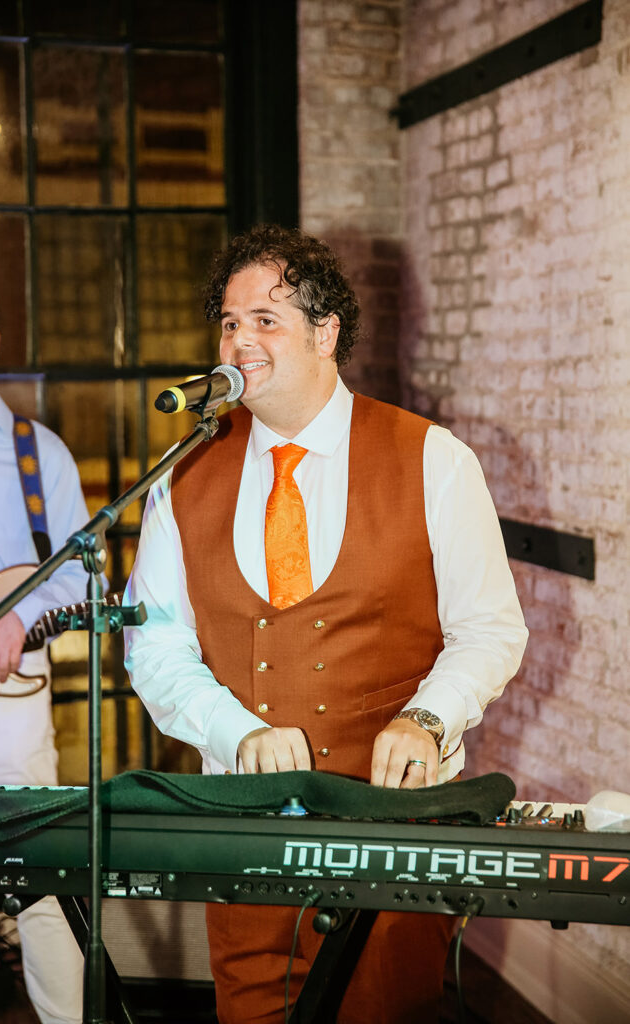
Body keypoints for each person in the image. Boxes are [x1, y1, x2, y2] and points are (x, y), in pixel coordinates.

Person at [124, 225, 528, 1023]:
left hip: (389, 833)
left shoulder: (432, 458)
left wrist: (426, 717)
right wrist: (234, 732)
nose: (240, 340)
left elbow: (489, 628)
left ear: (325, 331)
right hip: (241, 837)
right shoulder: (184, 473)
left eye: (265, 320)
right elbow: (156, 642)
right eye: (230, 322)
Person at [0, 276, 90, 1024]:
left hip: (6, 679)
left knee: (36, 870)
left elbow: (78, 575)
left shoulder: (41, 454)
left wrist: (20, 618)